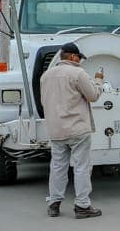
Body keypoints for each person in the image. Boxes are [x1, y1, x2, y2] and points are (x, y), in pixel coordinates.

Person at [40, 42, 104, 219]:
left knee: (58, 167)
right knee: (82, 167)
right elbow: (93, 96)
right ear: (73, 57)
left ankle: (54, 203)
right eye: (79, 58)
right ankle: (82, 205)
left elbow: (44, 101)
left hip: (56, 129)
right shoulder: (77, 73)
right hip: (77, 129)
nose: (80, 62)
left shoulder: (46, 76)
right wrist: (98, 80)